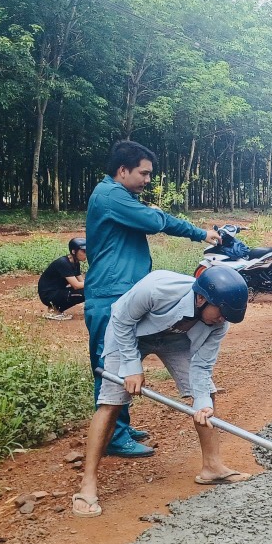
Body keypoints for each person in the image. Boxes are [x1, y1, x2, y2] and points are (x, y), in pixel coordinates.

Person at [71, 267, 250, 518]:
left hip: (177, 340)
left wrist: (201, 403)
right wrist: (132, 367)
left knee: (207, 395)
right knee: (112, 402)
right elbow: (122, 319)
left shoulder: (219, 323)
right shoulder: (157, 287)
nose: (223, 319)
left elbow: (202, 366)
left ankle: (212, 467)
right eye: (221, 313)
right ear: (201, 299)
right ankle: (87, 484)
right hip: (128, 334)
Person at [85, 140, 221, 458]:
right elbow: (154, 222)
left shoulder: (119, 196)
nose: (148, 180)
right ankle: (115, 437)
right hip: (110, 294)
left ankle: (120, 426)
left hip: (124, 291)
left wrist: (152, 211)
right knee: (111, 368)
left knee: (120, 363)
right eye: (144, 173)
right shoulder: (110, 196)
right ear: (122, 170)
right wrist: (199, 233)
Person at [38, 237, 87, 320]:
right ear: (73, 251)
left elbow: (81, 282)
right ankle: (54, 310)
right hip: (48, 295)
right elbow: (76, 285)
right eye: (83, 251)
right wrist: (95, 283)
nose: (86, 253)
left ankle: (55, 309)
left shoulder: (75, 263)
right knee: (85, 292)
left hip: (55, 292)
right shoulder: (63, 263)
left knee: (87, 289)